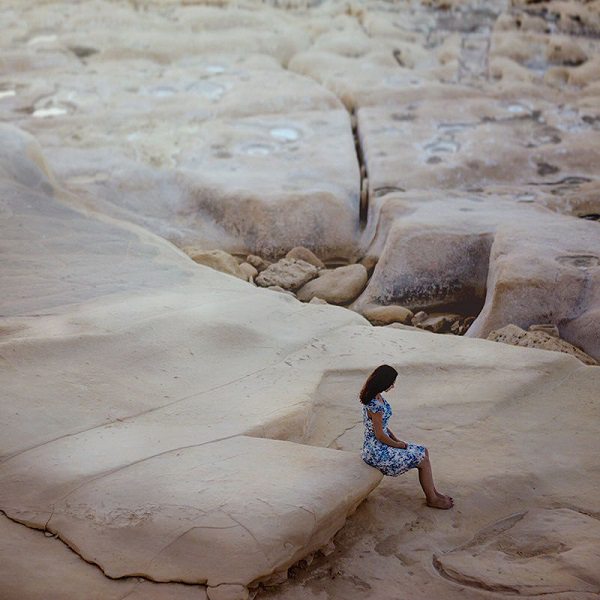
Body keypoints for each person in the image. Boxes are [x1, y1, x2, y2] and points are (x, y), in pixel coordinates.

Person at [360, 364, 453, 509]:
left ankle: (433, 492)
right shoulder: (374, 405)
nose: (393, 386)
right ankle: (432, 499)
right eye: (392, 383)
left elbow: (382, 426)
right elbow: (379, 435)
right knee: (422, 460)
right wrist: (397, 445)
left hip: (381, 443)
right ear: (383, 382)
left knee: (423, 451)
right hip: (376, 451)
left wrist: (396, 439)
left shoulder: (377, 397)